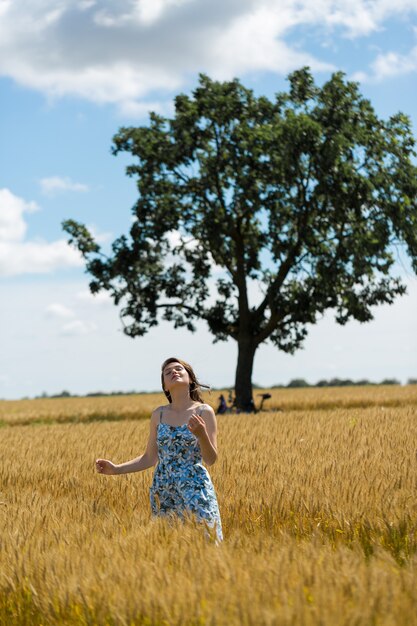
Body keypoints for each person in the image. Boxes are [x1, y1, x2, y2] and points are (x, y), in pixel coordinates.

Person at [95, 357, 223, 544]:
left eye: (179, 369)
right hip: (164, 490)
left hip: (195, 488)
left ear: (190, 379)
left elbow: (211, 459)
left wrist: (202, 434)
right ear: (164, 386)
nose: (174, 372)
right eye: (168, 372)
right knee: (170, 545)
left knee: (207, 540)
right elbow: (149, 458)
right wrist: (116, 469)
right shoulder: (159, 414)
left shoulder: (204, 411)